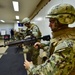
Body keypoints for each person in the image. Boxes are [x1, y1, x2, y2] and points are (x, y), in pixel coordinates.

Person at [24, 4, 75, 75]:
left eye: (51, 21)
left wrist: (30, 67)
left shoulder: (67, 46)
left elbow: (48, 72)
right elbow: (54, 45)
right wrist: (41, 45)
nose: (49, 25)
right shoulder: (61, 36)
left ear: (61, 20)